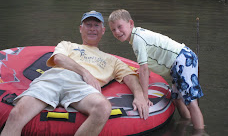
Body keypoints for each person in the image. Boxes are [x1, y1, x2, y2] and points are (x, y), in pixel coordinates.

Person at [1, 10, 149, 136]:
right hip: (53, 79)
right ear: (80, 28)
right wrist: (86, 73)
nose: (92, 28)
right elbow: (58, 58)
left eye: (96, 25)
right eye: (88, 25)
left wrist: (139, 96)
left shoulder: (112, 60)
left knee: (103, 107)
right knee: (16, 114)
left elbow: (130, 77)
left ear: (103, 30)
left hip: (82, 87)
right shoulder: (67, 45)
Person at [108, 9, 204, 130]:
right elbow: (149, 58)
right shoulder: (136, 38)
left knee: (191, 102)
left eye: (119, 27)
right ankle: (186, 122)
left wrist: (145, 96)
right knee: (177, 99)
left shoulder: (138, 39)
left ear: (131, 23)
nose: (117, 31)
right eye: (113, 29)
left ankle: (200, 131)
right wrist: (146, 71)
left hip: (183, 59)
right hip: (177, 63)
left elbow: (143, 68)